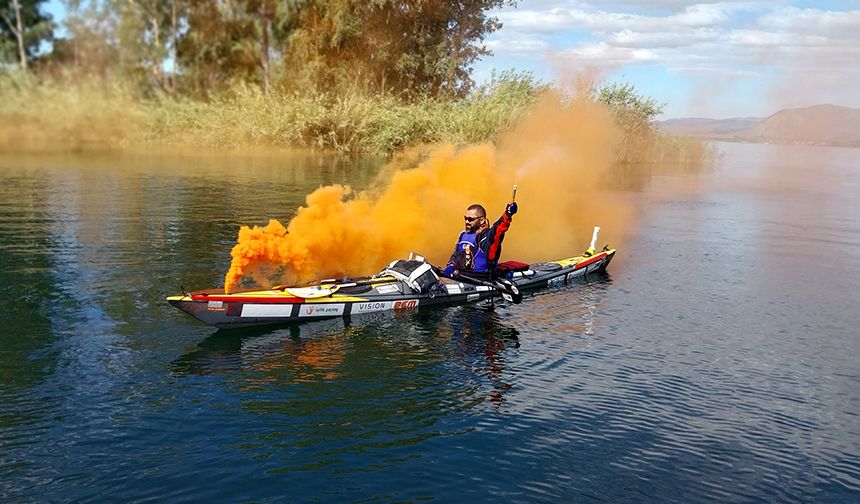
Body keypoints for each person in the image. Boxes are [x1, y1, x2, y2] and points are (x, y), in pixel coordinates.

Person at [442, 201, 518, 279]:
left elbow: (498, 229)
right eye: (465, 218)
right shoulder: (463, 235)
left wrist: (507, 214)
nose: (466, 221)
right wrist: (451, 264)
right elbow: (457, 254)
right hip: (462, 276)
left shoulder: (488, 237)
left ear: (481, 220)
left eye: (470, 219)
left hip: (482, 279)